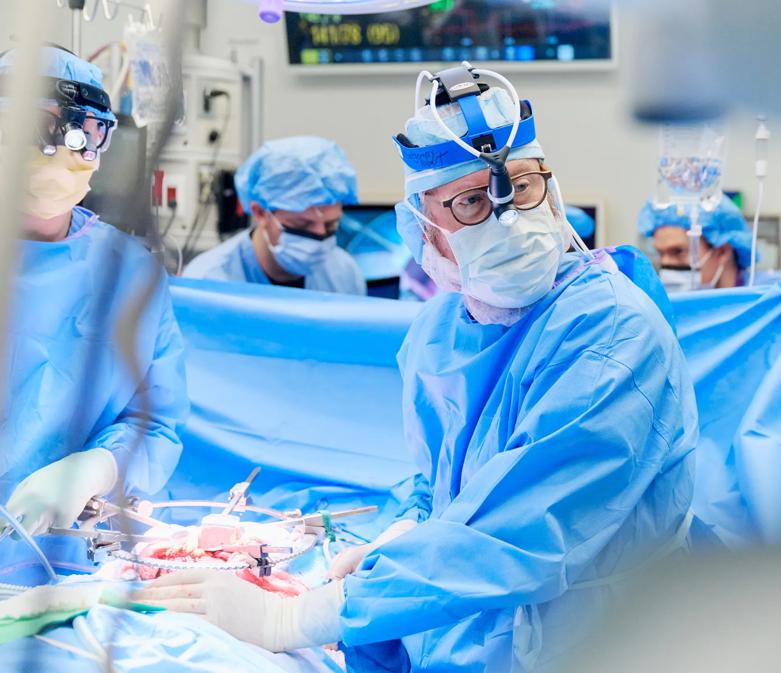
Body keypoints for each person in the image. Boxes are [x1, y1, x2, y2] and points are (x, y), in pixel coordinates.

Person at [137, 64, 698, 672]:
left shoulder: (611, 333)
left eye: (524, 185)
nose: (508, 216)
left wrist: (295, 617)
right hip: (473, 632)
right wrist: (402, 531)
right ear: (422, 228)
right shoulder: (442, 334)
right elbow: (443, 486)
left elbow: (522, 531)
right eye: (471, 201)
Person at [0, 47, 188, 581]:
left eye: (85, 135)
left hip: (77, 558)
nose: (65, 154)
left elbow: (155, 422)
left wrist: (96, 468)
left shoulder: (128, 272)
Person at [184, 136, 366, 294]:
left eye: (330, 225)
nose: (319, 236)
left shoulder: (344, 274)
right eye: (301, 225)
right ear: (260, 212)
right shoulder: (208, 283)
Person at [638, 194, 755, 294]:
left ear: (722, 252)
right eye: (661, 254)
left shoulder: (761, 306)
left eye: (678, 251)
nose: (666, 263)